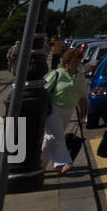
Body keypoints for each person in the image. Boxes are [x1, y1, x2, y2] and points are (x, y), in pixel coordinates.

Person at [42, 47, 89, 175]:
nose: (76, 64)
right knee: (57, 136)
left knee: (50, 138)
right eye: (73, 61)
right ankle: (62, 163)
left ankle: (39, 165)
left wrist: (83, 109)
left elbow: (81, 94)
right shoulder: (57, 74)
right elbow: (44, 91)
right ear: (66, 62)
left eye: (78, 61)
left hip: (68, 110)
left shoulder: (79, 76)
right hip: (54, 109)